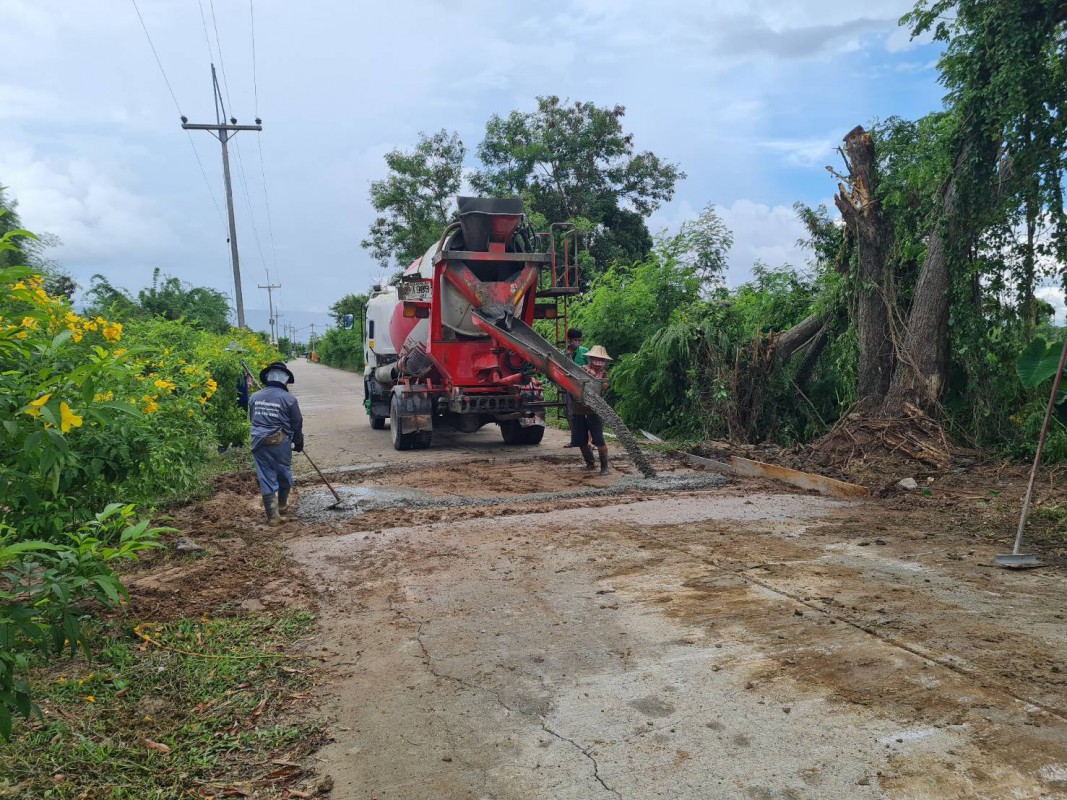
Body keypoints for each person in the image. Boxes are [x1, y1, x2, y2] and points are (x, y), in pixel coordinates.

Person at [249, 361, 304, 525]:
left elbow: (253, 419)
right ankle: (281, 506)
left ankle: (273, 516)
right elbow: (297, 423)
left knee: (265, 476)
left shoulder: (254, 397)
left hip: (258, 442)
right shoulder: (289, 399)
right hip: (279, 442)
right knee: (283, 472)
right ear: (285, 380)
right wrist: (298, 441)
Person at [570, 344, 612, 475]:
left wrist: (594, 377)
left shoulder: (604, 374)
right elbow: (573, 383)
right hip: (579, 409)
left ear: (604, 362)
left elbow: (603, 388)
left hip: (595, 411)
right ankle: (590, 463)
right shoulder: (582, 370)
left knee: (599, 439)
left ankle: (604, 467)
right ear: (590, 359)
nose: (597, 362)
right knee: (580, 440)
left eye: (600, 360)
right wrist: (586, 372)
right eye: (594, 358)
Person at [563, 328, 589, 447]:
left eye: (579, 340)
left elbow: (591, 368)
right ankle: (575, 440)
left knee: (585, 412)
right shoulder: (563, 353)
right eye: (575, 340)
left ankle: (588, 441)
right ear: (569, 340)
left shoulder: (585, 352)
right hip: (568, 386)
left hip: (582, 387)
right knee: (570, 413)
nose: (577, 342)